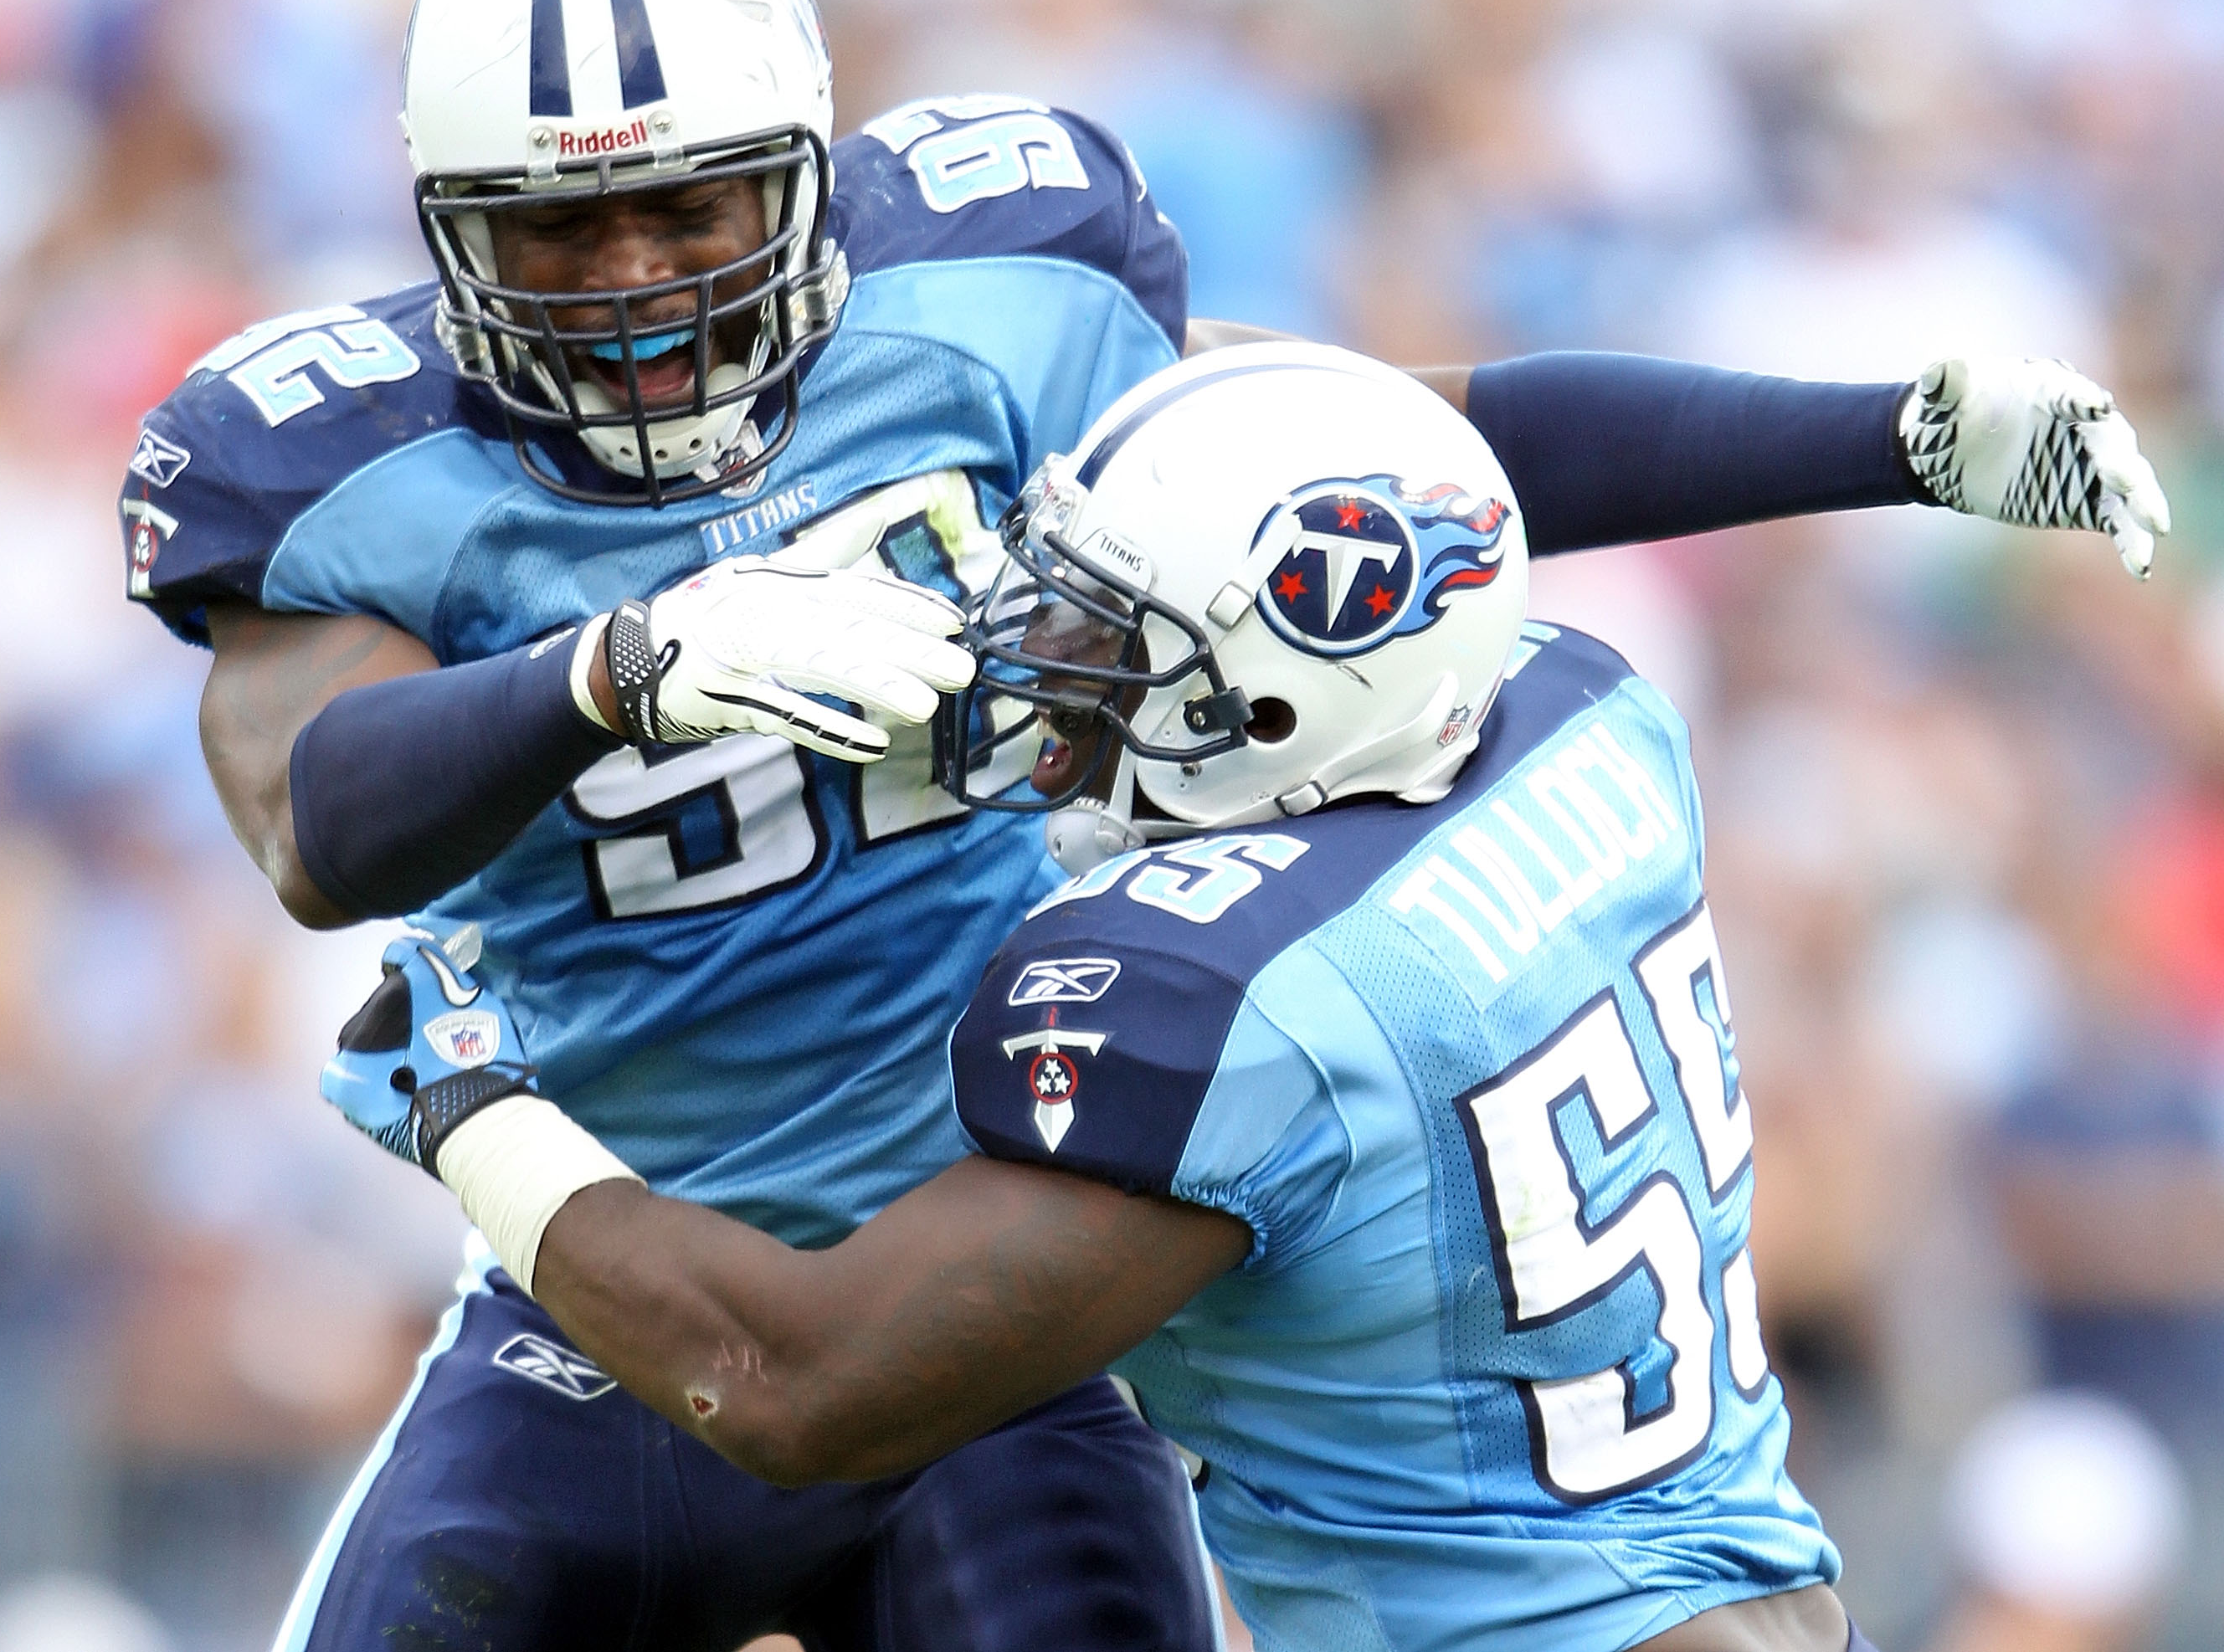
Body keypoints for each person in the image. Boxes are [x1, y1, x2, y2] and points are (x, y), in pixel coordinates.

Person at [128, 0, 2168, 1652]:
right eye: (560, 234)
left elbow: (1384, 468)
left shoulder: (995, 301)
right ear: (445, 231)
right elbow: (322, 820)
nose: (639, 278)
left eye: (692, 206)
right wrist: (612, 676)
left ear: (811, 174)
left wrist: (1880, 435)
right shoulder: (354, 469)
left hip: (1003, 1274)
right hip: (613, 1295)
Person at [326, 341, 2061, 1652]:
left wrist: (473, 1112)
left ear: (1287, 690)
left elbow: (795, 1384)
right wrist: (1888, 436)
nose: (1049, 686)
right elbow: (1445, 476)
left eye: (1109, 645)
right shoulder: (1586, 717)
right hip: (1753, 1590)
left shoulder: (1227, 1002)